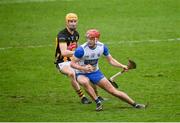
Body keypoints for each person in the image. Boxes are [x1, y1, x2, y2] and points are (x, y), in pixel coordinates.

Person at [71, 29, 146, 111]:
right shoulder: (81, 50)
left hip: (95, 72)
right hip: (81, 73)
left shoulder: (102, 47)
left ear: (96, 39)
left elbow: (111, 60)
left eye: (91, 39)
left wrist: (122, 66)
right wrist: (83, 68)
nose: (89, 40)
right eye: (88, 38)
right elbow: (72, 64)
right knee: (84, 82)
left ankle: (135, 104)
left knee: (113, 91)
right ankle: (98, 102)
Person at [54, 13, 92, 104]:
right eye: (71, 21)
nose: (73, 23)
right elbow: (64, 52)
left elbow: (77, 46)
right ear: (66, 22)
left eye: (75, 21)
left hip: (73, 60)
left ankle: (96, 95)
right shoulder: (62, 35)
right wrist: (78, 53)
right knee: (71, 73)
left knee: (90, 70)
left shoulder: (76, 34)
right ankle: (82, 97)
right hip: (62, 62)